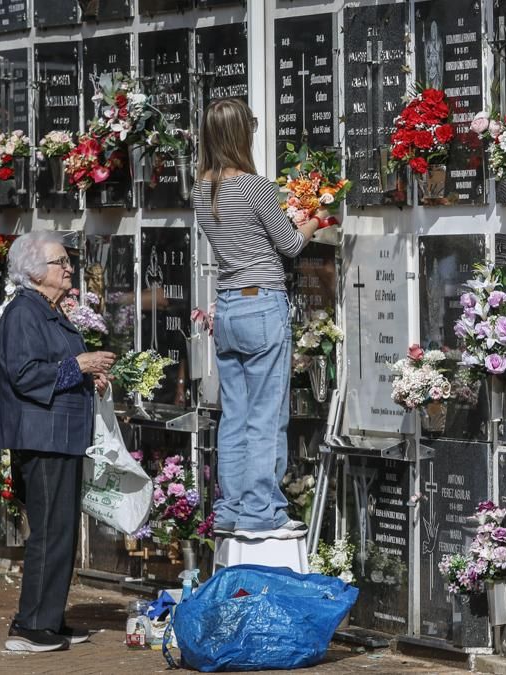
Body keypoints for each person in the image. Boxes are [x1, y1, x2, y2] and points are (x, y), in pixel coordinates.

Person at [193, 97, 335, 539]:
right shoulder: (257, 188)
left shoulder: (200, 191)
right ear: (241, 134)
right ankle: (261, 509)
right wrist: (315, 220)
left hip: (229, 307)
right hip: (262, 303)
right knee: (267, 414)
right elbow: (290, 245)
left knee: (233, 413)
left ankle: (231, 506)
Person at [0, 231, 116, 652]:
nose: (69, 269)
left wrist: (89, 374)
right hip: (42, 437)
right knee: (48, 531)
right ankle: (29, 626)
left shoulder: (49, 311)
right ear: (35, 271)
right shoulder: (23, 313)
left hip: (60, 435)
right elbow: (25, 375)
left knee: (61, 530)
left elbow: (57, 367)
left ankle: (50, 619)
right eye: (61, 262)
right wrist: (79, 364)